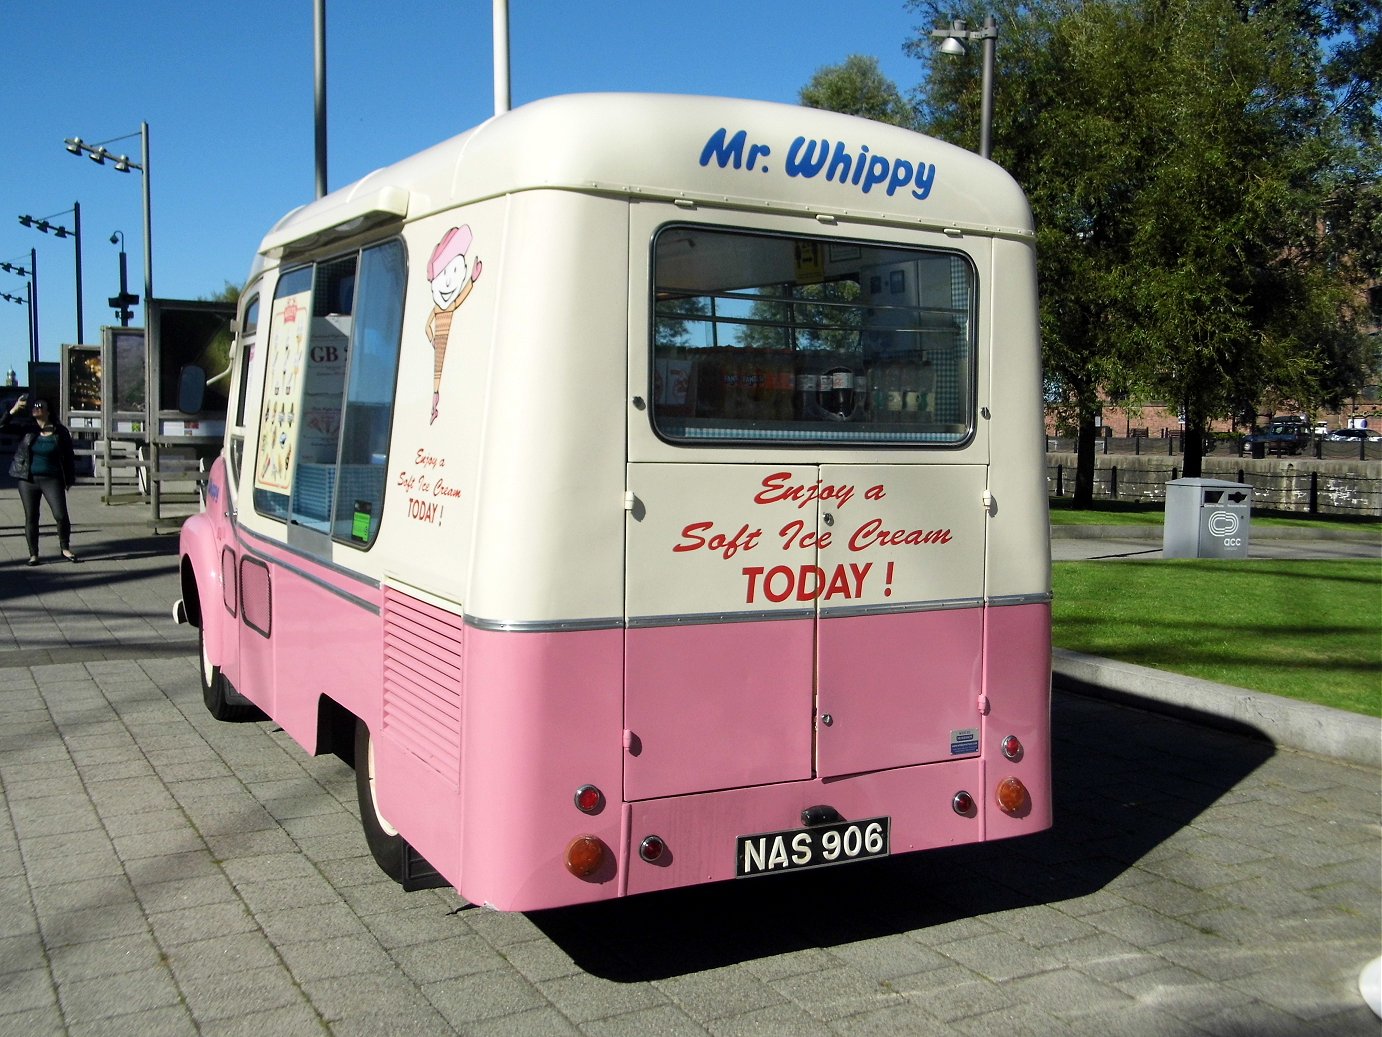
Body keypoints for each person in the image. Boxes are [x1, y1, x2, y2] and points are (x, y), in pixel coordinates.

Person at [3, 396, 78, 566]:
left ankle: (65, 547)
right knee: (31, 517)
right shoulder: (27, 429)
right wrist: (13, 410)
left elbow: (69, 458)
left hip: (52, 479)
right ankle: (34, 554)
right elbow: (2, 426)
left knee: (60, 514)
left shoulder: (60, 432)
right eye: (34, 406)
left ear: (48, 410)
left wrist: (70, 479)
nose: (36, 408)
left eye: (40, 406)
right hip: (27, 480)